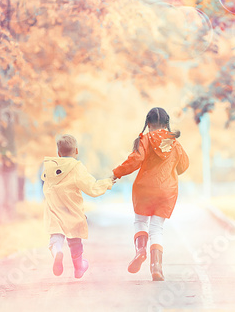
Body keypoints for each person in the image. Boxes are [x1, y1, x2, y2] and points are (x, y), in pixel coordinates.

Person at [112, 107, 189, 281]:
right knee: (157, 229)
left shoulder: (145, 140)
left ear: (148, 123)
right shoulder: (174, 143)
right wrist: (170, 169)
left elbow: (135, 161)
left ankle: (140, 251)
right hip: (167, 192)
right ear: (166, 124)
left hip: (144, 190)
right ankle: (157, 267)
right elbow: (184, 165)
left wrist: (116, 173)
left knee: (140, 221)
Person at [41, 134, 114, 278]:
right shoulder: (76, 167)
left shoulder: (49, 168)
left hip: (54, 209)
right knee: (75, 239)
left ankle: (57, 251)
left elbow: (47, 188)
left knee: (56, 236)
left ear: (58, 153)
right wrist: (108, 182)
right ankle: (79, 267)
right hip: (72, 210)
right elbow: (91, 187)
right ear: (76, 151)